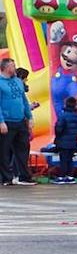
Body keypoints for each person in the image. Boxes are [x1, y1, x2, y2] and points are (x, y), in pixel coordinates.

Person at [0, 58, 36, 186]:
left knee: (23, 148)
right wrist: (1, 121)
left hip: (20, 120)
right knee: (4, 150)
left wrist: (29, 117)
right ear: (5, 67)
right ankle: (6, 178)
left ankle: (24, 176)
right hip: (6, 121)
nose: (14, 68)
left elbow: (24, 100)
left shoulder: (18, 81)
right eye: (12, 66)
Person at [52, 96, 77, 184]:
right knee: (70, 159)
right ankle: (70, 176)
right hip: (73, 142)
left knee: (63, 160)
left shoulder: (63, 116)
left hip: (63, 142)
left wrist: (59, 136)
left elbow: (58, 128)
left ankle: (62, 177)